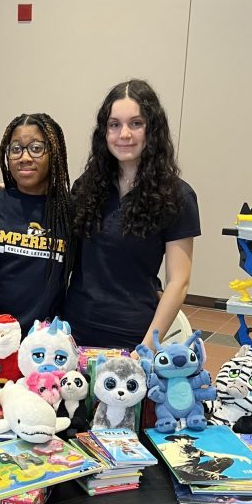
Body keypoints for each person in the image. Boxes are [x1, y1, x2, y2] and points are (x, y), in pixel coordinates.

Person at [63, 79, 200, 350]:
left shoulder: (177, 196)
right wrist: (5, 191)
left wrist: (146, 349)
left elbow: (178, 283)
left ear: (153, 129)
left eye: (135, 123)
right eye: (114, 125)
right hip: (74, 334)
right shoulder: (86, 187)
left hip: (133, 340)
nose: (124, 134)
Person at [0, 113, 71, 332]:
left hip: (47, 342)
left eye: (36, 148)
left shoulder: (69, 211)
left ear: (53, 153)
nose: (25, 157)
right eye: (16, 149)